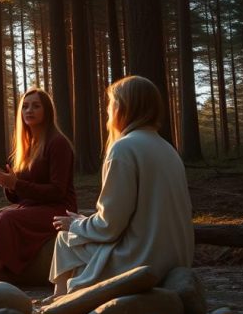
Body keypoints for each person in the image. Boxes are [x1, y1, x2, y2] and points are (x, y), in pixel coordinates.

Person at [50, 75, 193, 297]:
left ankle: (62, 303)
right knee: (74, 234)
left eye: (110, 104)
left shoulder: (124, 149)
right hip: (176, 262)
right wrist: (84, 223)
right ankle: (61, 302)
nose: (107, 112)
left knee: (65, 239)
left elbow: (110, 225)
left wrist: (76, 225)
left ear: (122, 107)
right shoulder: (167, 149)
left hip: (140, 261)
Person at [0, 88, 76, 288]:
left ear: (47, 111)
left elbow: (57, 191)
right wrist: (8, 185)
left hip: (58, 208)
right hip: (31, 207)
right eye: (25, 106)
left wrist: (16, 184)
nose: (29, 110)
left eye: (36, 106)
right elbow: (17, 198)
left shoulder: (58, 143)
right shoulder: (26, 147)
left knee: (7, 219)